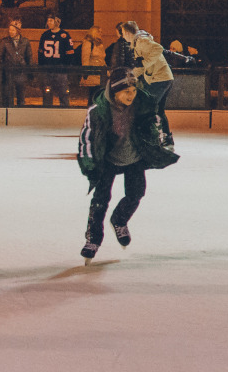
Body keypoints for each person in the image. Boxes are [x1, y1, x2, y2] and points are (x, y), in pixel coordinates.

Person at [76, 67, 178, 263]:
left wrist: (164, 143)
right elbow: (86, 138)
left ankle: (119, 220)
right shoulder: (99, 111)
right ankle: (93, 240)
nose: (131, 95)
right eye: (126, 92)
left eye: (133, 91)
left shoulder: (143, 105)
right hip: (107, 159)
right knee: (100, 201)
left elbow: (158, 123)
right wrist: (88, 162)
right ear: (115, 91)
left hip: (134, 156)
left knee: (136, 193)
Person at [119, 21, 193, 111]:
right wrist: (130, 76)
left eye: (123, 33)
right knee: (158, 109)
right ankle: (159, 124)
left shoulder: (141, 41)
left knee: (148, 106)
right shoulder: (136, 43)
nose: (123, 36)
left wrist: (144, 63)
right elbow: (141, 66)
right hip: (161, 78)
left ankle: (150, 124)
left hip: (159, 79)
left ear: (127, 33)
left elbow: (158, 48)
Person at [38, 14, 75, 106]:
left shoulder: (65, 35)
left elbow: (70, 53)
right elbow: (40, 53)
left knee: (63, 92)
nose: (49, 23)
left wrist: (66, 66)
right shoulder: (45, 35)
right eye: (48, 20)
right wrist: (42, 66)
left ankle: (65, 111)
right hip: (47, 69)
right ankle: (47, 111)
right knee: (47, 93)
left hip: (60, 69)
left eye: (51, 20)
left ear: (57, 22)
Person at [0, 19, 33, 106]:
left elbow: (29, 57)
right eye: (9, 30)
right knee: (8, 96)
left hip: (21, 71)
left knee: (21, 95)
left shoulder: (25, 41)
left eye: (13, 30)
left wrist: (30, 72)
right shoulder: (4, 41)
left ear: (18, 31)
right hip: (8, 72)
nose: (10, 32)